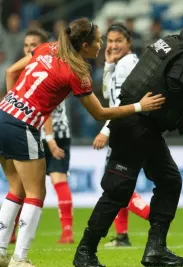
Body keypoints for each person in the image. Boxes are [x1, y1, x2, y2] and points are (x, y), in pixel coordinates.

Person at [73, 12, 183, 267]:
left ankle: (155, 250)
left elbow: (168, 81)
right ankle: (85, 252)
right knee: (117, 191)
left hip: (145, 129)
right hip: (134, 128)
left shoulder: (171, 42)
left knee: (169, 181)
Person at [0, 17, 164, 267]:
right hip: (22, 125)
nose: (101, 46)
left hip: (2, 114)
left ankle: (1, 251)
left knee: (16, 188)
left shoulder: (47, 47)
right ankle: (19, 259)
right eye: (98, 41)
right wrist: (140, 106)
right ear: (85, 44)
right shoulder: (77, 72)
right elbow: (99, 113)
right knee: (36, 193)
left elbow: (13, 71)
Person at [8, 28, 78, 245]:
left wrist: (49, 138)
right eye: (26, 45)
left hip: (55, 132)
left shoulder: (51, 66)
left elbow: (44, 109)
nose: (29, 49)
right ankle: (11, 234)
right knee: (23, 184)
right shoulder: (24, 72)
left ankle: (67, 230)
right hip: (29, 130)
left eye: (33, 45)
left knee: (56, 179)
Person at [92, 22, 151, 248]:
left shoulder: (126, 65)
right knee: (120, 184)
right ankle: (122, 236)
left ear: (129, 43)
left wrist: (105, 130)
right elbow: (108, 93)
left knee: (115, 185)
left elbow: (119, 103)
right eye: (111, 41)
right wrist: (107, 64)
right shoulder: (123, 63)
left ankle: (154, 216)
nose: (113, 45)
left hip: (124, 130)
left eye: (119, 41)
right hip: (129, 128)